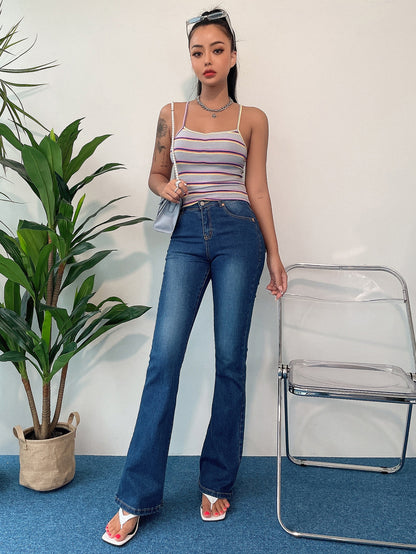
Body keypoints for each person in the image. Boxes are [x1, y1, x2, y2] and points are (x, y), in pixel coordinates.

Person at [103, 8, 287, 546]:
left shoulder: (252, 118)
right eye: (197, 51)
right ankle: (135, 496)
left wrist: (276, 254)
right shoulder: (171, 113)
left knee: (230, 360)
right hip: (185, 234)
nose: (207, 59)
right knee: (164, 360)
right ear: (191, 59)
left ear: (233, 56)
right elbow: (156, 173)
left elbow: (257, 188)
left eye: (216, 50)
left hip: (238, 234)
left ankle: (216, 481)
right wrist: (165, 189)